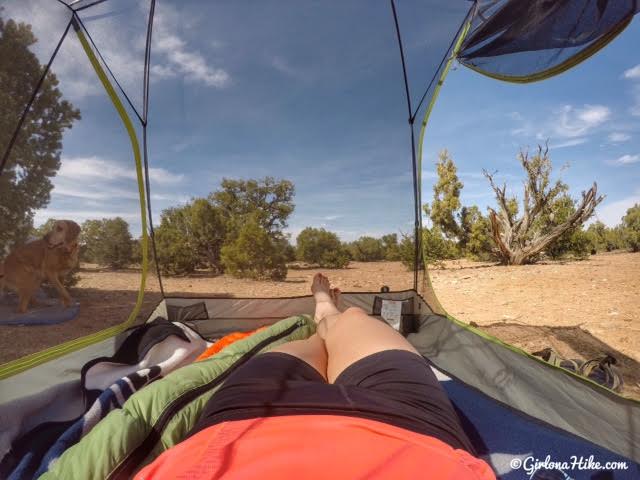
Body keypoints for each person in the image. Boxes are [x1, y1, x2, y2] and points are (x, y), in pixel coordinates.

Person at [135, 273, 495, 480]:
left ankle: (322, 313)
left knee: (315, 343)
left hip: (246, 418)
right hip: (403, 419)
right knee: (352, 323)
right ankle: (327, 310)